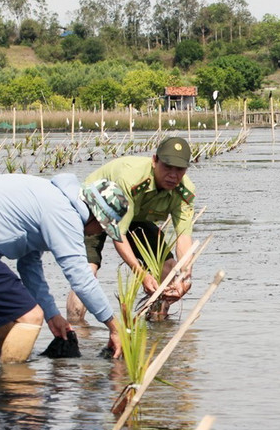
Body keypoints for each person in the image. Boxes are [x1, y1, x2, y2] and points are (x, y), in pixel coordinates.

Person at [0, 174, 130, 362]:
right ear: (96, 216)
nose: (97, 233)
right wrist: (114, 326)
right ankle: (17, 385)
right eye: (102, 229)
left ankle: (2, 387)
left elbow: (29, 267)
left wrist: (52, 315)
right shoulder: (64, 213)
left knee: (10, 321)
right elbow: (81, 278)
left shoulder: (53, 199)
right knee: (30, 316)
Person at [67, 136, 197, 320]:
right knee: (88, 269)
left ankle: (157, 324)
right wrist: (141, 274)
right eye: (167, 167)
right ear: (154, 161)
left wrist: (185, 277)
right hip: (98, 207)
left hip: (136, 215)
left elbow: (184, 238)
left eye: (180, 169)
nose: (173, 175)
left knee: (168, 267)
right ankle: (76, 328)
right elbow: (118, 234)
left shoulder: (185, 191)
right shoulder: (131, 180)